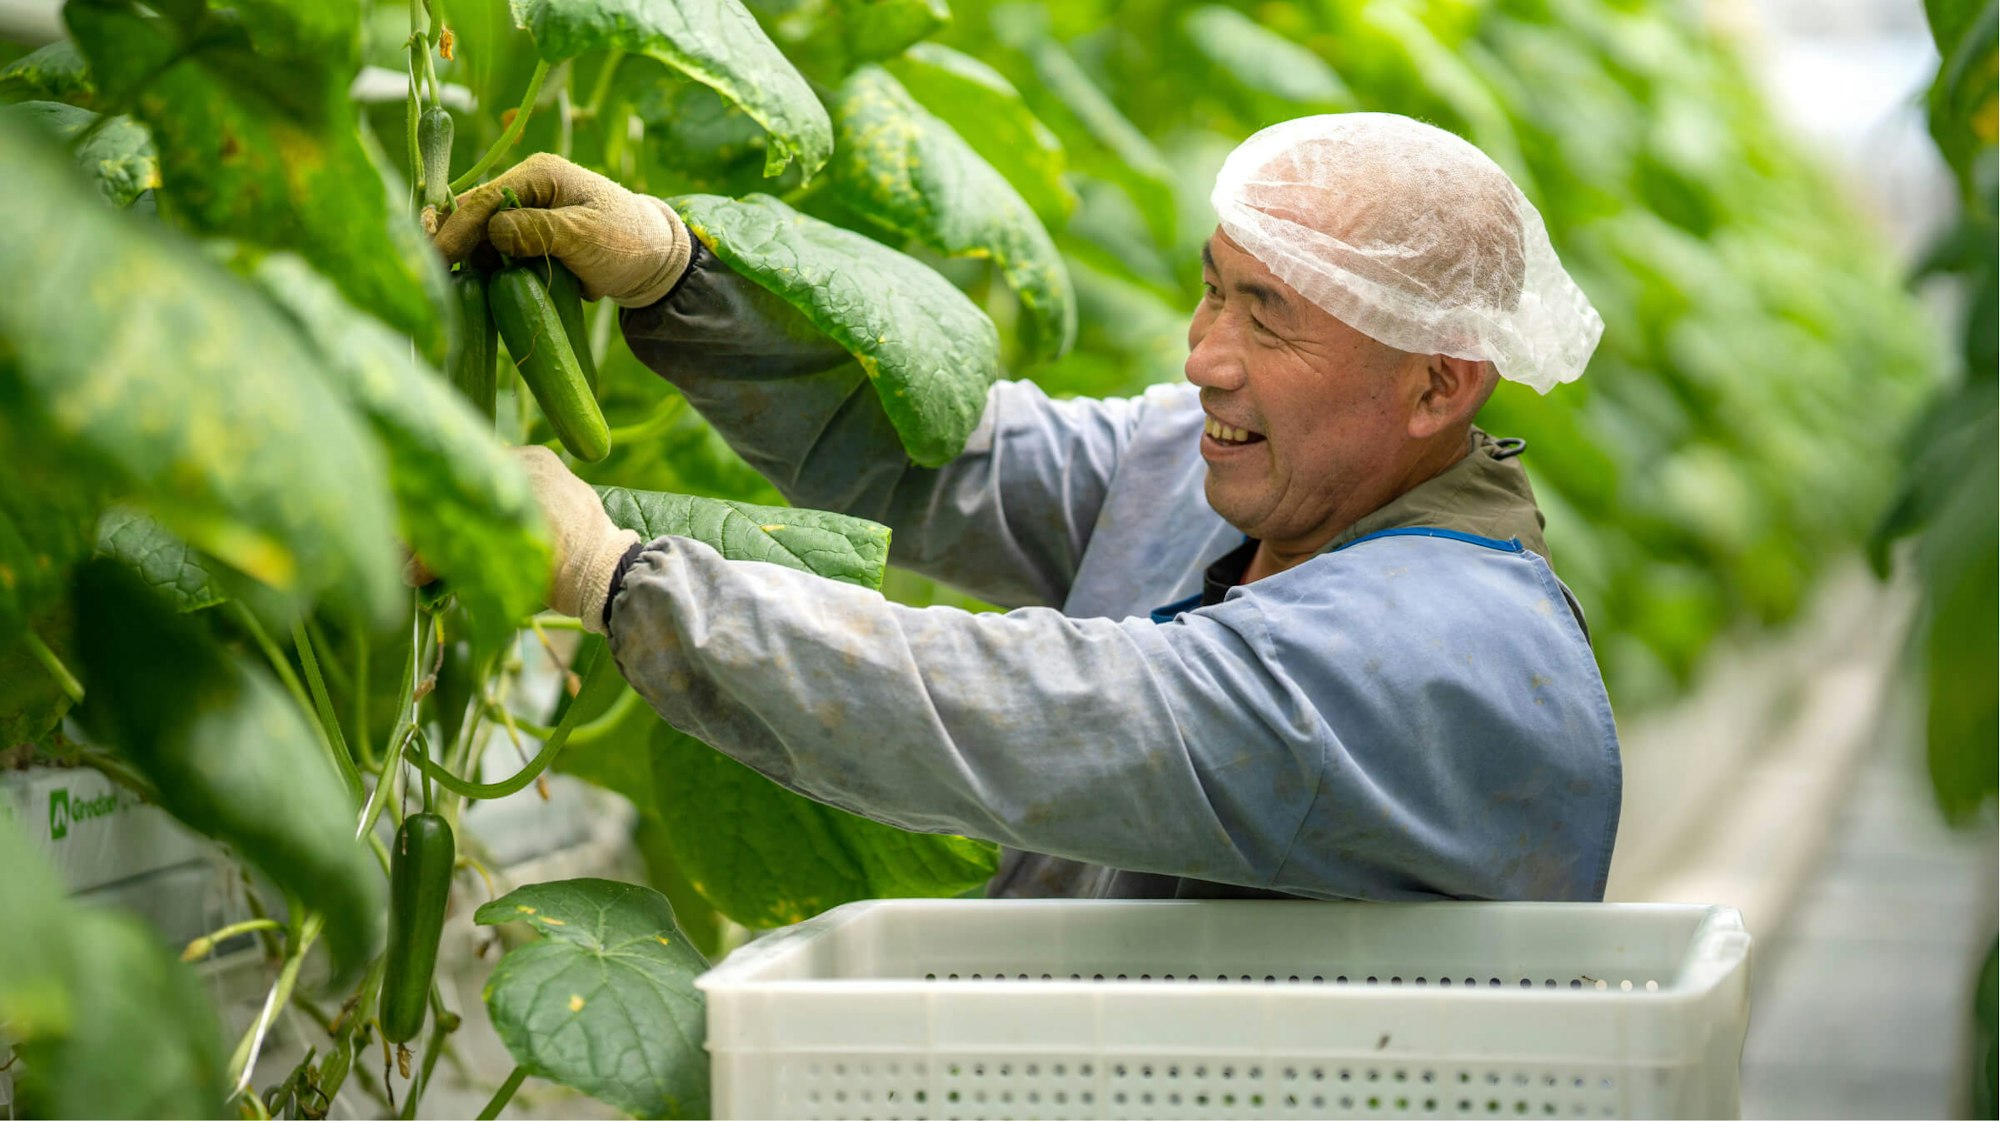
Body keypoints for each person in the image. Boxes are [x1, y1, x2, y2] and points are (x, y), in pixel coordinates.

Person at [433, 112, 1620, 902]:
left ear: (1438, 383)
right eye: (1211, 293)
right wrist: (675, 276)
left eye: (1270, 318)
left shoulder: (1439, 661)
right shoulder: (1218, 463)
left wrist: (617, 576)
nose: (1207, 357)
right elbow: (943, 457)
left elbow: (1029, 709)